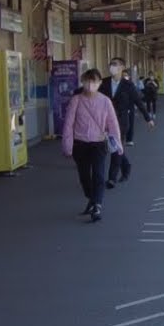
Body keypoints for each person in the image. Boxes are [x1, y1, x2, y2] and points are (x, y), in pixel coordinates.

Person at [62, 68, 122, 223]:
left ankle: (97, 205)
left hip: (99, 143)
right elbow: (68, 124)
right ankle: (92, 198)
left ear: (100, 83)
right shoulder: (76, 100)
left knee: (99, 175)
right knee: (84, 177)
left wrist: (118, 144)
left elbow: (112, 124)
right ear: (82, 82)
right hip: (79, 144)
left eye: (94, 81)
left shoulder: (105, 101)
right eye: (87, 81)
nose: (90, 85)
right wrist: (67, 145)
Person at [100, 57, 154, 186]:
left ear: (122, 67)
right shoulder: (103, 83)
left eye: (115, 64)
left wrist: (148, 119)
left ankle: (111, 178)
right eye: (111, 64)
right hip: (105, 122)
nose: (112, 67)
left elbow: (138, 102)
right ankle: (126, 166)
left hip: (121, 122)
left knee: (115, 148)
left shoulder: (128, 85)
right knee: (114, 147)